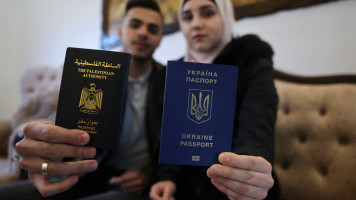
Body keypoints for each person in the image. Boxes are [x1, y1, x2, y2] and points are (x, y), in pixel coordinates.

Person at [0, 0, 166, 199]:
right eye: (135, 24)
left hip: (131, 184)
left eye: (152, 28)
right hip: (87, 171)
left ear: (159, 39)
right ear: (120, 32)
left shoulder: (169, 82)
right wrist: (26, 150)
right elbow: (58, 120)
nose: (143, 33)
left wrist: (148, 176)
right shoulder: (95, 71)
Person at [149, 0, 279, 200]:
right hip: (183, 189)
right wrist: (167, 178)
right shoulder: (171, 75)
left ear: (226, 16)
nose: (196, 24)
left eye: (208, 13)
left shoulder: (251, 63)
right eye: (187, 17)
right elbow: (172, 138)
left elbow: (256, 131)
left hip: (236, 187)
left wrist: (245, 172)